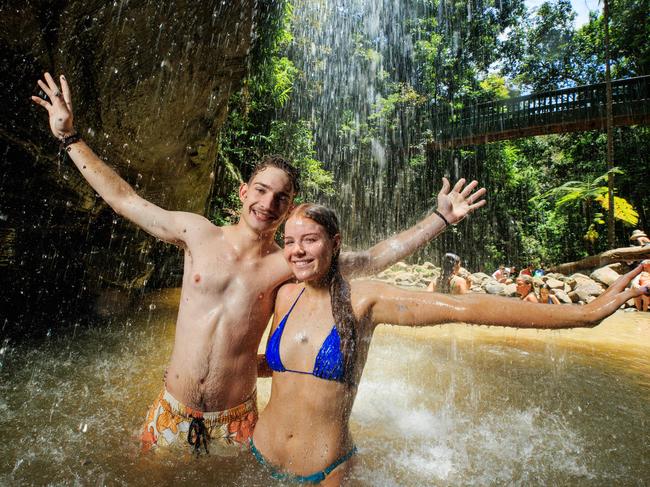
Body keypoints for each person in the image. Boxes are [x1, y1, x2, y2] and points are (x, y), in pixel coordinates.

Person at [31, 73, 487, 453]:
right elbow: (124, 198)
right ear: (244, 192)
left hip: (238, 420)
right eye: (262, 190)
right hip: (171, 409)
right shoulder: (196, 233)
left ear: (291, 208)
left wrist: (440, 219)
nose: (269, 202)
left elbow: (370, 259)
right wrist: (69, 137)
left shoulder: (290, 262)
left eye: (282, 197)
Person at [252, 203, 648, 485]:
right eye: (289, 241)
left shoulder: (366, 299)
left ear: (335, 243)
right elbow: (272, 365)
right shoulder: (285, 295)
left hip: (326, 473)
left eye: (310, 240)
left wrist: (584, 315)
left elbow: (463, 308)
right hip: (257, 458)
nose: (297, 251)